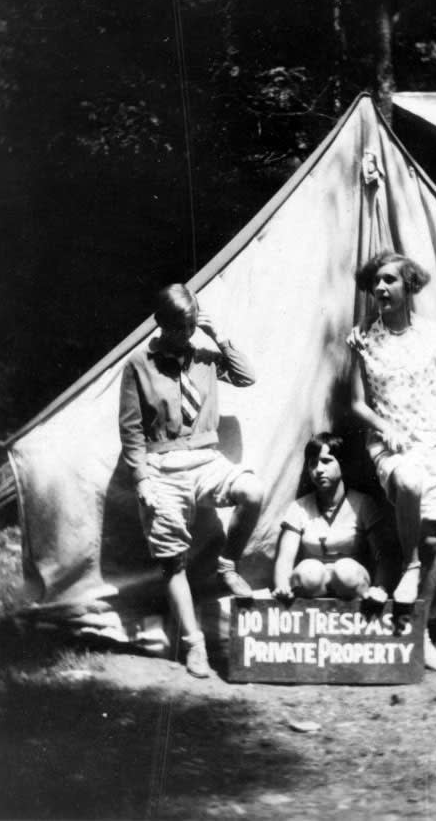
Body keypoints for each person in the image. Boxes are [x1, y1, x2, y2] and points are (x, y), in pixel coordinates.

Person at [119, 283, 263, 678]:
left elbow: (247, 377)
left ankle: (227, 563)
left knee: (252, 490)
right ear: (160, 324)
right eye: (178, 328)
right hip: (162, 466)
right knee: (172, 560)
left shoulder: (204, 357)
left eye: (192, 327)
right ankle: (194, 645)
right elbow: (131, 429)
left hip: (205, 459)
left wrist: (220, 337)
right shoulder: (138, 364)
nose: (186, 336)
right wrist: (142, 479)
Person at [349, 250, 436, 671]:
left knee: (434, 538)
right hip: (390, 445)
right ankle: (410, 566)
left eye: (390, 280)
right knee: (410, 483)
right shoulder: (361, 339)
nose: (381, 288)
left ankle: (421, 632)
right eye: (376, 282)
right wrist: (385, 425)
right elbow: (355, 402)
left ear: (409, 286)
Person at [272, 433, 387, 601]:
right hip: (312, 586)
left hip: (351, 585)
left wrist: (380, 588)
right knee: (309, 571)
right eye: (312, 464)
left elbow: (383, 555)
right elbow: (285, 558)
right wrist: (281, 587)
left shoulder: (363, 504)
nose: (318, 470)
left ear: (343, 464)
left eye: (326, 461)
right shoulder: (299, 507)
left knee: (345, 571)